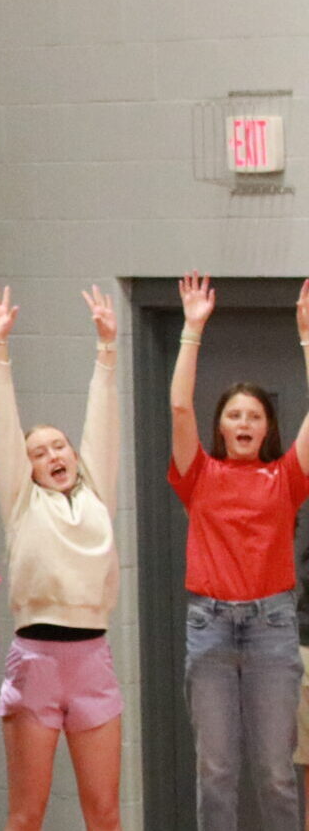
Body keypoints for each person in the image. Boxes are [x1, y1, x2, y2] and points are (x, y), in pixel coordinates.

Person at [0, 283, 124, 831]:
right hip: (36, 659)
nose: (51, 455)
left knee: (105, 813)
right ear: (29, 468)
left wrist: (106, 350)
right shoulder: (22, 502)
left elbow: (103, 423)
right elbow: (0, 428)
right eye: (37, 453)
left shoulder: (96, 495)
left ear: (74, 455)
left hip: (92, 659)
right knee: (26, 815)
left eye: (58, 446)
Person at [168, 273, 309, 831]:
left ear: (267, 427)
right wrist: (191, 328)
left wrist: (306, 338)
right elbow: (180, 407)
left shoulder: (286, 478)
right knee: (216, 770)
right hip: (210, 627)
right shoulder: (197, 474)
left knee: (276, 770)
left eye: (254, 415)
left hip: (273, 626)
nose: (245, 421)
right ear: (221, 427)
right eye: (234, 414)